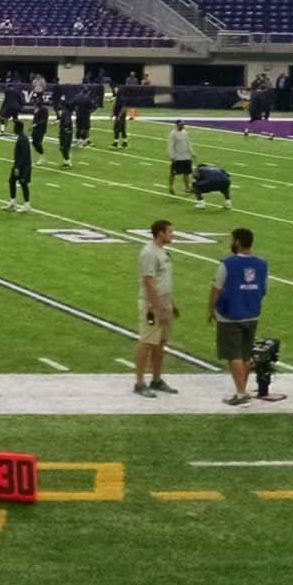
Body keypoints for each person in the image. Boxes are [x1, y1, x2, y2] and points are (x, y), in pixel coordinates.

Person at [209, 227, 268, 406]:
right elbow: (264, 289)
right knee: (245, 355)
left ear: (237, 242)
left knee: (233, 355)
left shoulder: (228, 264)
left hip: (230, 315)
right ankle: (242, 390)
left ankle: (241, 393)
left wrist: (211, 308)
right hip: (252, 314)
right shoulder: (262, 264)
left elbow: (216, 289)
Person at [132, 220, 180, 398]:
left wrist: (171, 303)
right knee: (147, 342)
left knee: (161, 342)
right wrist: (158, 308)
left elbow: (162, 281)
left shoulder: (162, 251)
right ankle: (139, 382)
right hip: (152, 306)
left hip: (164, 303)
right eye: (170, 231)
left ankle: (157, 379)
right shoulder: (149, 253)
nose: (172, 234)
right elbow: (149, 282)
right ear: (160, 233)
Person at [3, 120, 33, 212]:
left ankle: (27, 205)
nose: (13, 129)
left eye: (14, 127)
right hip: (20, 165)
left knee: (23, 184)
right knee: (12, 181)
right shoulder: (21, 138)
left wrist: (17, 168)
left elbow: (23, 155)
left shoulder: (22, 139)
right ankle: (13, 202)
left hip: (23, 166)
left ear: (18, 128)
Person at [166, 122, 194, 195]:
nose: (182, 126)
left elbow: (189, 143)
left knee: (186, 173)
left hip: (186, 157)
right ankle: (171, 187)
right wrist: (172, 156)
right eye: (181, 125)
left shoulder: (185, 133)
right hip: (178, 157)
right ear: (177, 125)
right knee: (173, 173)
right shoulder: (172, 134)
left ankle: (187, 188)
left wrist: (192, 152)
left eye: (183, 125)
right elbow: (170, 146)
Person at [55, 97, 75, 168]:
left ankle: (68, 162)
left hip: (65, 133)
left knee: (64, 147)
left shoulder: (65, 113)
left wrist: (66, 129)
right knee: (63, 147)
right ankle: (66, 161)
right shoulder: (66, 112)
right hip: (65, 132)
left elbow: (67, 122)